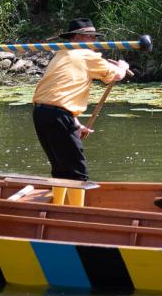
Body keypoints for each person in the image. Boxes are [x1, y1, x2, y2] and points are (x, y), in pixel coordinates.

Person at [32, 18, 129, 182]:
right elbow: (117, 75)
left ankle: (60, 205)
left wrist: (75, 123)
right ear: (77, 37)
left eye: (95, 37)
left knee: (61, 169)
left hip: (41, 113)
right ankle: (75, 207)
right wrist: (123, 67)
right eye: (91, 37)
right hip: (56, 116)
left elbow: (59, 93)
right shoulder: (85, 55)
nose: (94, 41)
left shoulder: (61, 54)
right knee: (77, 171)